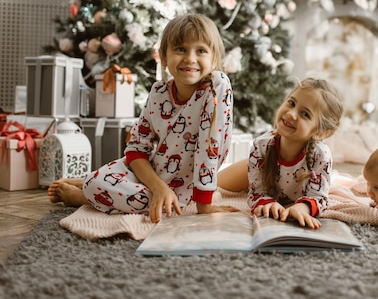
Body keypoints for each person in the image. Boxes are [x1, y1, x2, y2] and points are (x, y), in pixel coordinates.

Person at [48, 13, 233, 222]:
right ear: (164, 57)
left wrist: (204, 206)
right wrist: (158, 187)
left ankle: (84, 196)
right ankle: (88, 185)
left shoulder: (217, 86)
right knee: (97, 182)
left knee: (155, 201)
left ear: (214, 59)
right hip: (151, 176)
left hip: (184, 189)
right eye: (180, 49)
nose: (190, 58)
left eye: (201, 51)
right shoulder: (158, 92)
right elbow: (136, 149)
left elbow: (210, 146)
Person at [220, 77, 343, 229]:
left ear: (320, 132)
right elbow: (257, 192)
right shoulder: (261, 146)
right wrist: (266, 203)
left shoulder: (321, 155)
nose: (291, 114)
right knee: (213, 185)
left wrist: (302, 207)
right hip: (254, 167)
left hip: (296, 179)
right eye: (291, 103)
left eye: (305, 114)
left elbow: (318, 197)